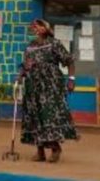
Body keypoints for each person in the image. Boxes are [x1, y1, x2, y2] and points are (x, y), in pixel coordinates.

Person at [18, 18, 78, 163]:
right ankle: (40, 152)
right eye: (35, 27)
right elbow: (25, 65)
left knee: (49, 115)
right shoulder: (30, 46)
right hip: (33, 86)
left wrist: (71, 79)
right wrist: (20, 76)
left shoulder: (54, 43)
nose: (37, 29)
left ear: (46, 28)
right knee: (34, 116)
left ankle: (55, 148)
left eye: (40, 26)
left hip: (50, 86)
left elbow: (69, 61)